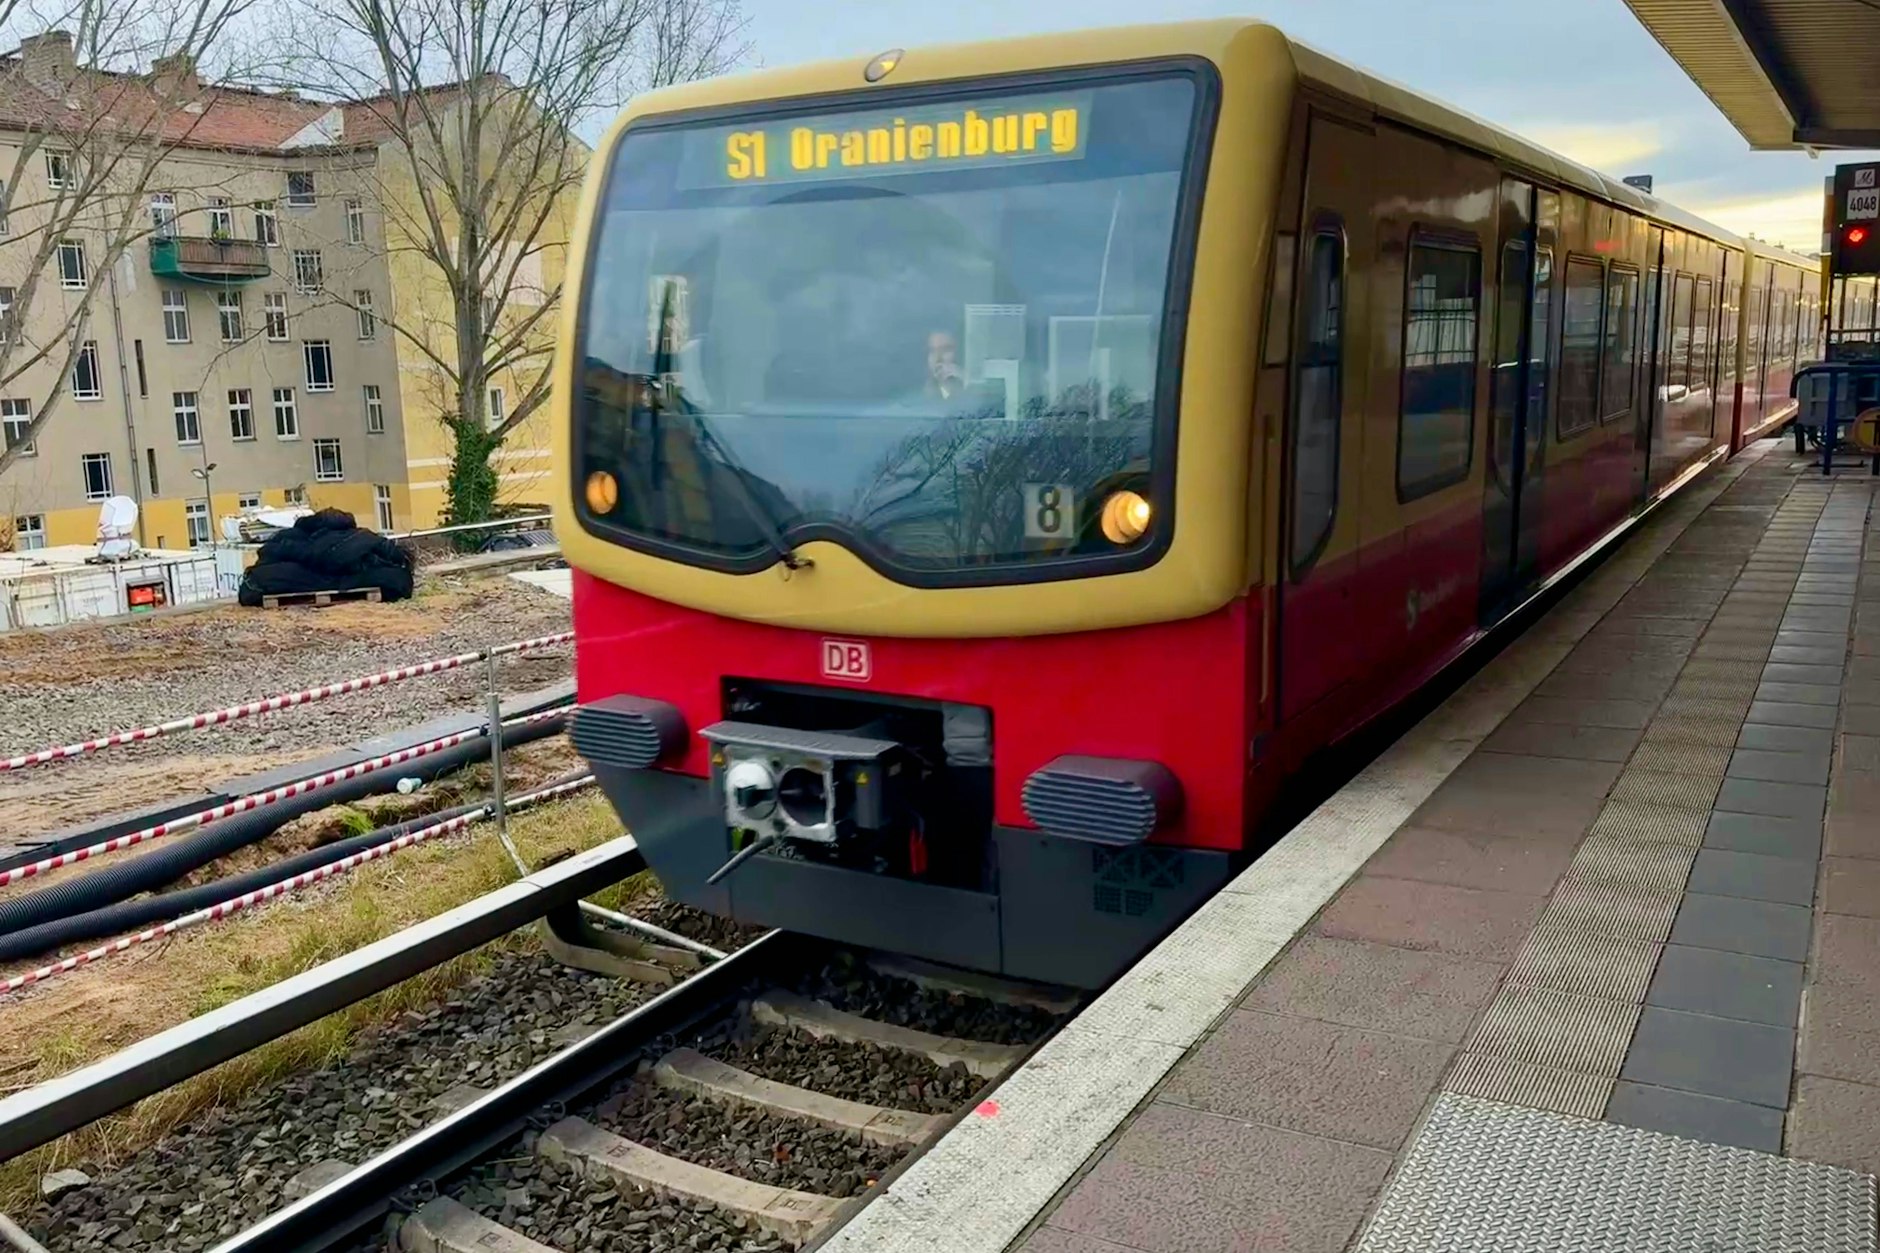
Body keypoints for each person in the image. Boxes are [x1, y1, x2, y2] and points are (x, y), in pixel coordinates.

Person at [926, 330, 964, 400]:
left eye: (945, 349)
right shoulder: (920, 394)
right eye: (933, 350)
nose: (938, 357)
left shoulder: (971, 387)